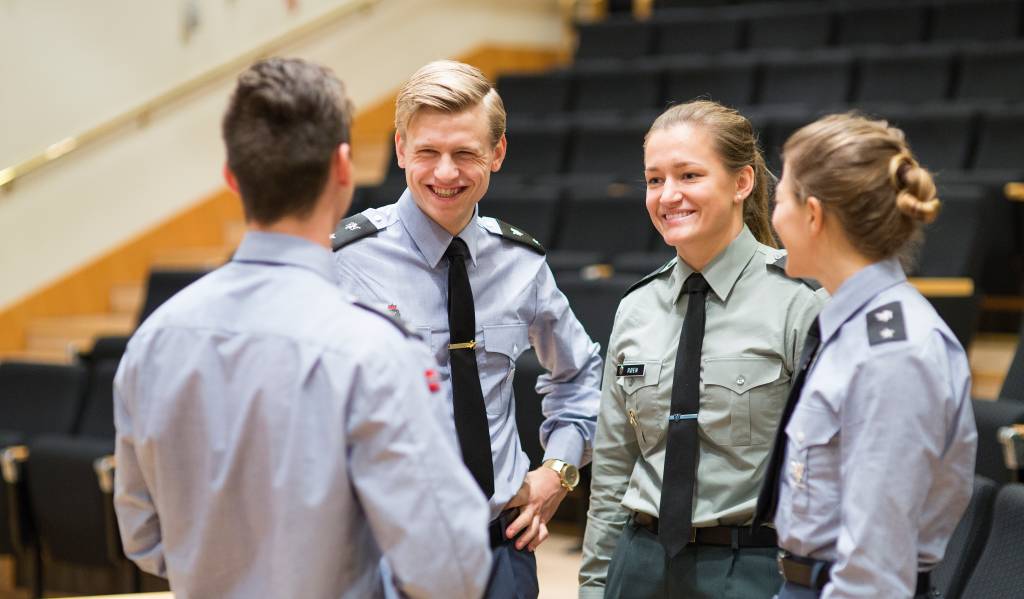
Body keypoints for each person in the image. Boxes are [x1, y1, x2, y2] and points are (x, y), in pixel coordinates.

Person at [113, 57, 492, 599]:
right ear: (344, 168)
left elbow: (145, 537)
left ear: (230, 177)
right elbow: (449, 572)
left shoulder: (153, 342)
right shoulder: (376, 352)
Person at [332, 59, 602, 598]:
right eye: (428, 152)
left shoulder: (521, 263)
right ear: (401, 148)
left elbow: (580, 375)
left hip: (500, 550)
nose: (446, 173)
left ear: (497, 154)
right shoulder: (343, 261)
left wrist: (558, 472)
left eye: (466, 154)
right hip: (383, 558)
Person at [579, 100, 826, 599]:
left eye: (689, 175)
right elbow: (612, 469)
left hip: (749, 568)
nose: (668, 195)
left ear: (742, 183)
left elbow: (826, 472)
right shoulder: (637, 307)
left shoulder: (801, 300)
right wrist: (595, 583)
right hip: (639, 564)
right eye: (654, 180)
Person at [756, 113, 977, 598]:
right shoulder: (851, 326)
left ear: (812, 215)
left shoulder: (892, 353)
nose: (772, 219)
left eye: (779, 200)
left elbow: (873, 570)